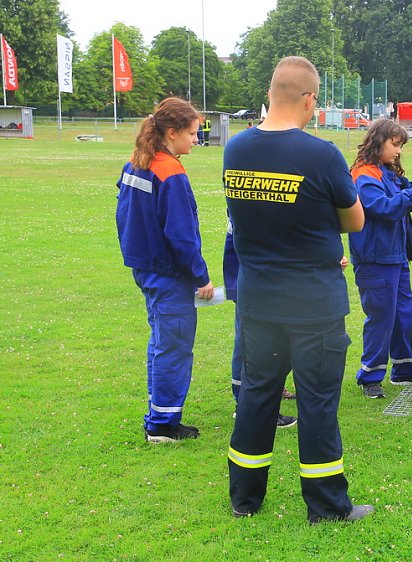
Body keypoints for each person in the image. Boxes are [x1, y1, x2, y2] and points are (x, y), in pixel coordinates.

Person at [224, 56, 372, 524]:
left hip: (259, 301)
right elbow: (355, 220)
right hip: (313, 305)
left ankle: (244, 498)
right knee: (317, 404)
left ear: (271, 94)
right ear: (310, 100)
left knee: (257, 398)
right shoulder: (322, 154)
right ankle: (327, 507)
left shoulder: (236, 149)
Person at [115, 97, 214, 443]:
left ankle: (160, 413)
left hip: (145, 267)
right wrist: (201, 276)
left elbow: (124, 215)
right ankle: (162, 425)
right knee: (173, 346)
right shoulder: (170, 171)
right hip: (168, 272)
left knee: (161, 342)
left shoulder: (136, 163)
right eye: (191, 133)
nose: (195, 140)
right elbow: (182, 233)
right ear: (171, 134)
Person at [349, 118, 412, 399]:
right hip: (375, 257)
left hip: (396, 255)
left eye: (400, 145)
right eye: (395, 144)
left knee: (403, 314)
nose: (398, 151)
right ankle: (371, 375)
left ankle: (404, 368)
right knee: (381, 316)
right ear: (379, 141)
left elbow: (407, 193)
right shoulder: (363, 175)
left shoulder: (386, 171)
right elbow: (385, 207)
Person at [223, 213, 297, 426]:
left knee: (267, 342)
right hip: (254, 280)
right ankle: (247, 404)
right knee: (251, 345)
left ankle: (259, 397)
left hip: (257, 278)